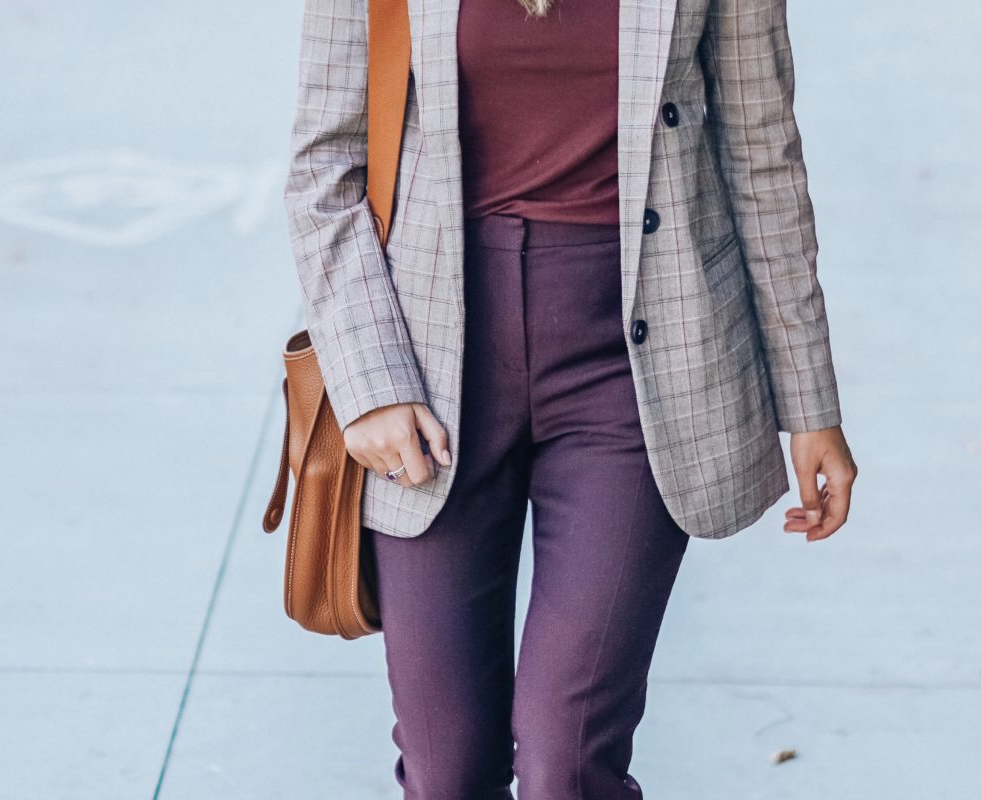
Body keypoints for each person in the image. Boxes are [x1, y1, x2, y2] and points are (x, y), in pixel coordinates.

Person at [281, 0, 859, 796]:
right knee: (447, 771)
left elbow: (763, 154)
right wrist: (371, 383)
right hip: (431, 367)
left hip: (635, 368)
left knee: (569, 762)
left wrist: (809, 398)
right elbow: (325, 165)